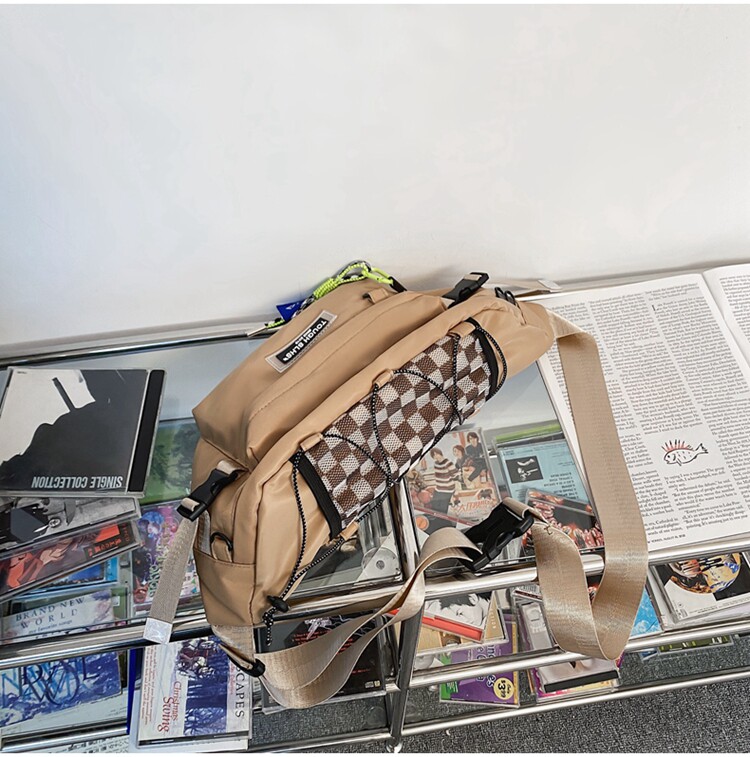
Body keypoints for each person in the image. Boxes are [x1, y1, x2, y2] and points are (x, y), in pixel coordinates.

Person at [428, 448, 459, 514]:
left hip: (447, 488)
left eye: (436, 454)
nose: (436, 456)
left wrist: (448, 477)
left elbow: (455, 474)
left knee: (442, 508)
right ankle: (436, 519)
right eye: (433, 455)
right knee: (434, 505)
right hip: (438, 488)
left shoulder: (447, 462)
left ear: (440, 453)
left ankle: (442, 519)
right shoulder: (436, 464)